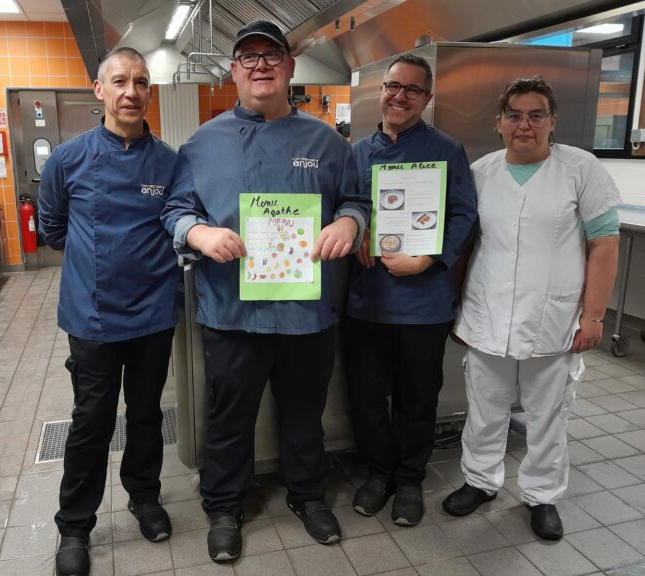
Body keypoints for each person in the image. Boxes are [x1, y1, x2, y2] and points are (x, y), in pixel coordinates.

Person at [162, 20, 370, 563]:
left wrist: (349, 223)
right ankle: (224, 507)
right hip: (232, 312)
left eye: (271, 55)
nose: (261, 65)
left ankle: (308, 495)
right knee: (229, 417)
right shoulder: (202, 144)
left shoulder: (326, 142)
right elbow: (176, 210)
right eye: (248, 57)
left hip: (306, 312)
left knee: (304, 413)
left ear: (290, 66)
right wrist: (199, 233)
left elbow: (355, 201)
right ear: (234, 70)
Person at [442, 75, 621, 540]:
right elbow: (465, 244)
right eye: (515, 115)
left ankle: (542, 495)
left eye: (536, 115)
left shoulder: (580, 169)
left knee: (548, 415)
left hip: (553, 319)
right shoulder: (481, 172)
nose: (525, 124)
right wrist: (457, 307)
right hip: (487, 313)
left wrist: (594, 316)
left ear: (552, 121)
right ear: (499, 123)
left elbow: (604, 244)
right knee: (484, 409)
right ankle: (480, 481)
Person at [38, 47, 178, 576]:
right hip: (92, 318)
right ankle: (75, 526)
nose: (130, 92)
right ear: (99, 90)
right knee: (91, 421)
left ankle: (144, 497)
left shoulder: (168, 162)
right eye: (119, 81)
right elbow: (53, 230)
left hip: (154, 314)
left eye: (140, 82)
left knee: (146, 415)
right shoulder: (67, 159)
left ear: (149, 92)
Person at [344, 54, 478, 526]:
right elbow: (345, 204)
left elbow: (464, 213)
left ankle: (408, 480)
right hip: (368, 300)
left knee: (418, 396)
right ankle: (378, 473)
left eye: (412, 89)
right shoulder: (357, 152)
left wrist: (429, 257)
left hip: (425, 301)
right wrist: (357, 230)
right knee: (365, 396)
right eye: (393, 86)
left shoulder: (446, 149)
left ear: (427, 97)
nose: (400, 96)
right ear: (381, 90)